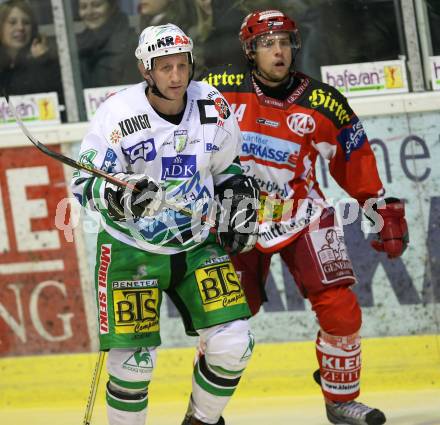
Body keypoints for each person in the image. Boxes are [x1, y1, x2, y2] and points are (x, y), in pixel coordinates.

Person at [204, 9, 409, 425]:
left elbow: (354, 157)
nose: (277, 51)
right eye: (266, 43)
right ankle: (204, 412)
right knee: (225, 323)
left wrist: (379, 207)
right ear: (249, 50)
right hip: (235, 217)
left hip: (303, 214)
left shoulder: (324, 102)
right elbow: (179, 135)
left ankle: (340, 401)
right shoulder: (217, 91)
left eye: (284, 42)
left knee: (341, 310)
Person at [71, 23, 260, 425]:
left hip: (195, 244)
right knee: (133, 367)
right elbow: (83, 183)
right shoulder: (118, 113)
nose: (176, 77)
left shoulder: (211, 103)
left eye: (182, 65)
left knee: (234, 344)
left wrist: (238, 200)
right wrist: (119, 197)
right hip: (130, 249)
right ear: (145, 70)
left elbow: (228, 167)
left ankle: (202, 420)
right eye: (164, 68)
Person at [0, 0, 62, 97]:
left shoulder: (45, 61)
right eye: (12, 22)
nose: (20, 27)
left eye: (26, 23)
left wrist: (42, 62)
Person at [77, 0, 139, 88]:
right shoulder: (78, 45)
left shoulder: (131, 44)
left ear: (112, 7)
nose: (89, 12)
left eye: (96, 5)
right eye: (83, 7)